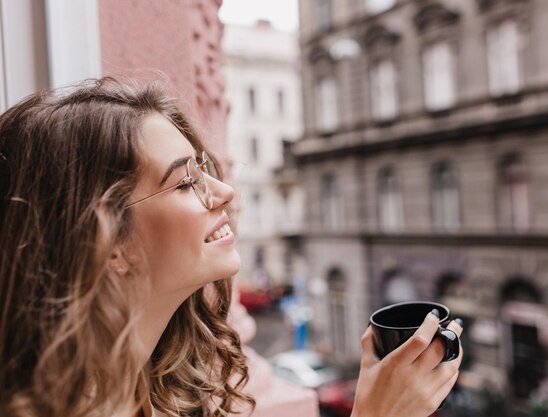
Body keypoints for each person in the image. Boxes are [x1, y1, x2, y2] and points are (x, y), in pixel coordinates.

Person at [0, 78, 463, 417]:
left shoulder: (165, 390)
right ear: (107, 241)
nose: (224, 193)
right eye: (185, 182)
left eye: (206, 169)